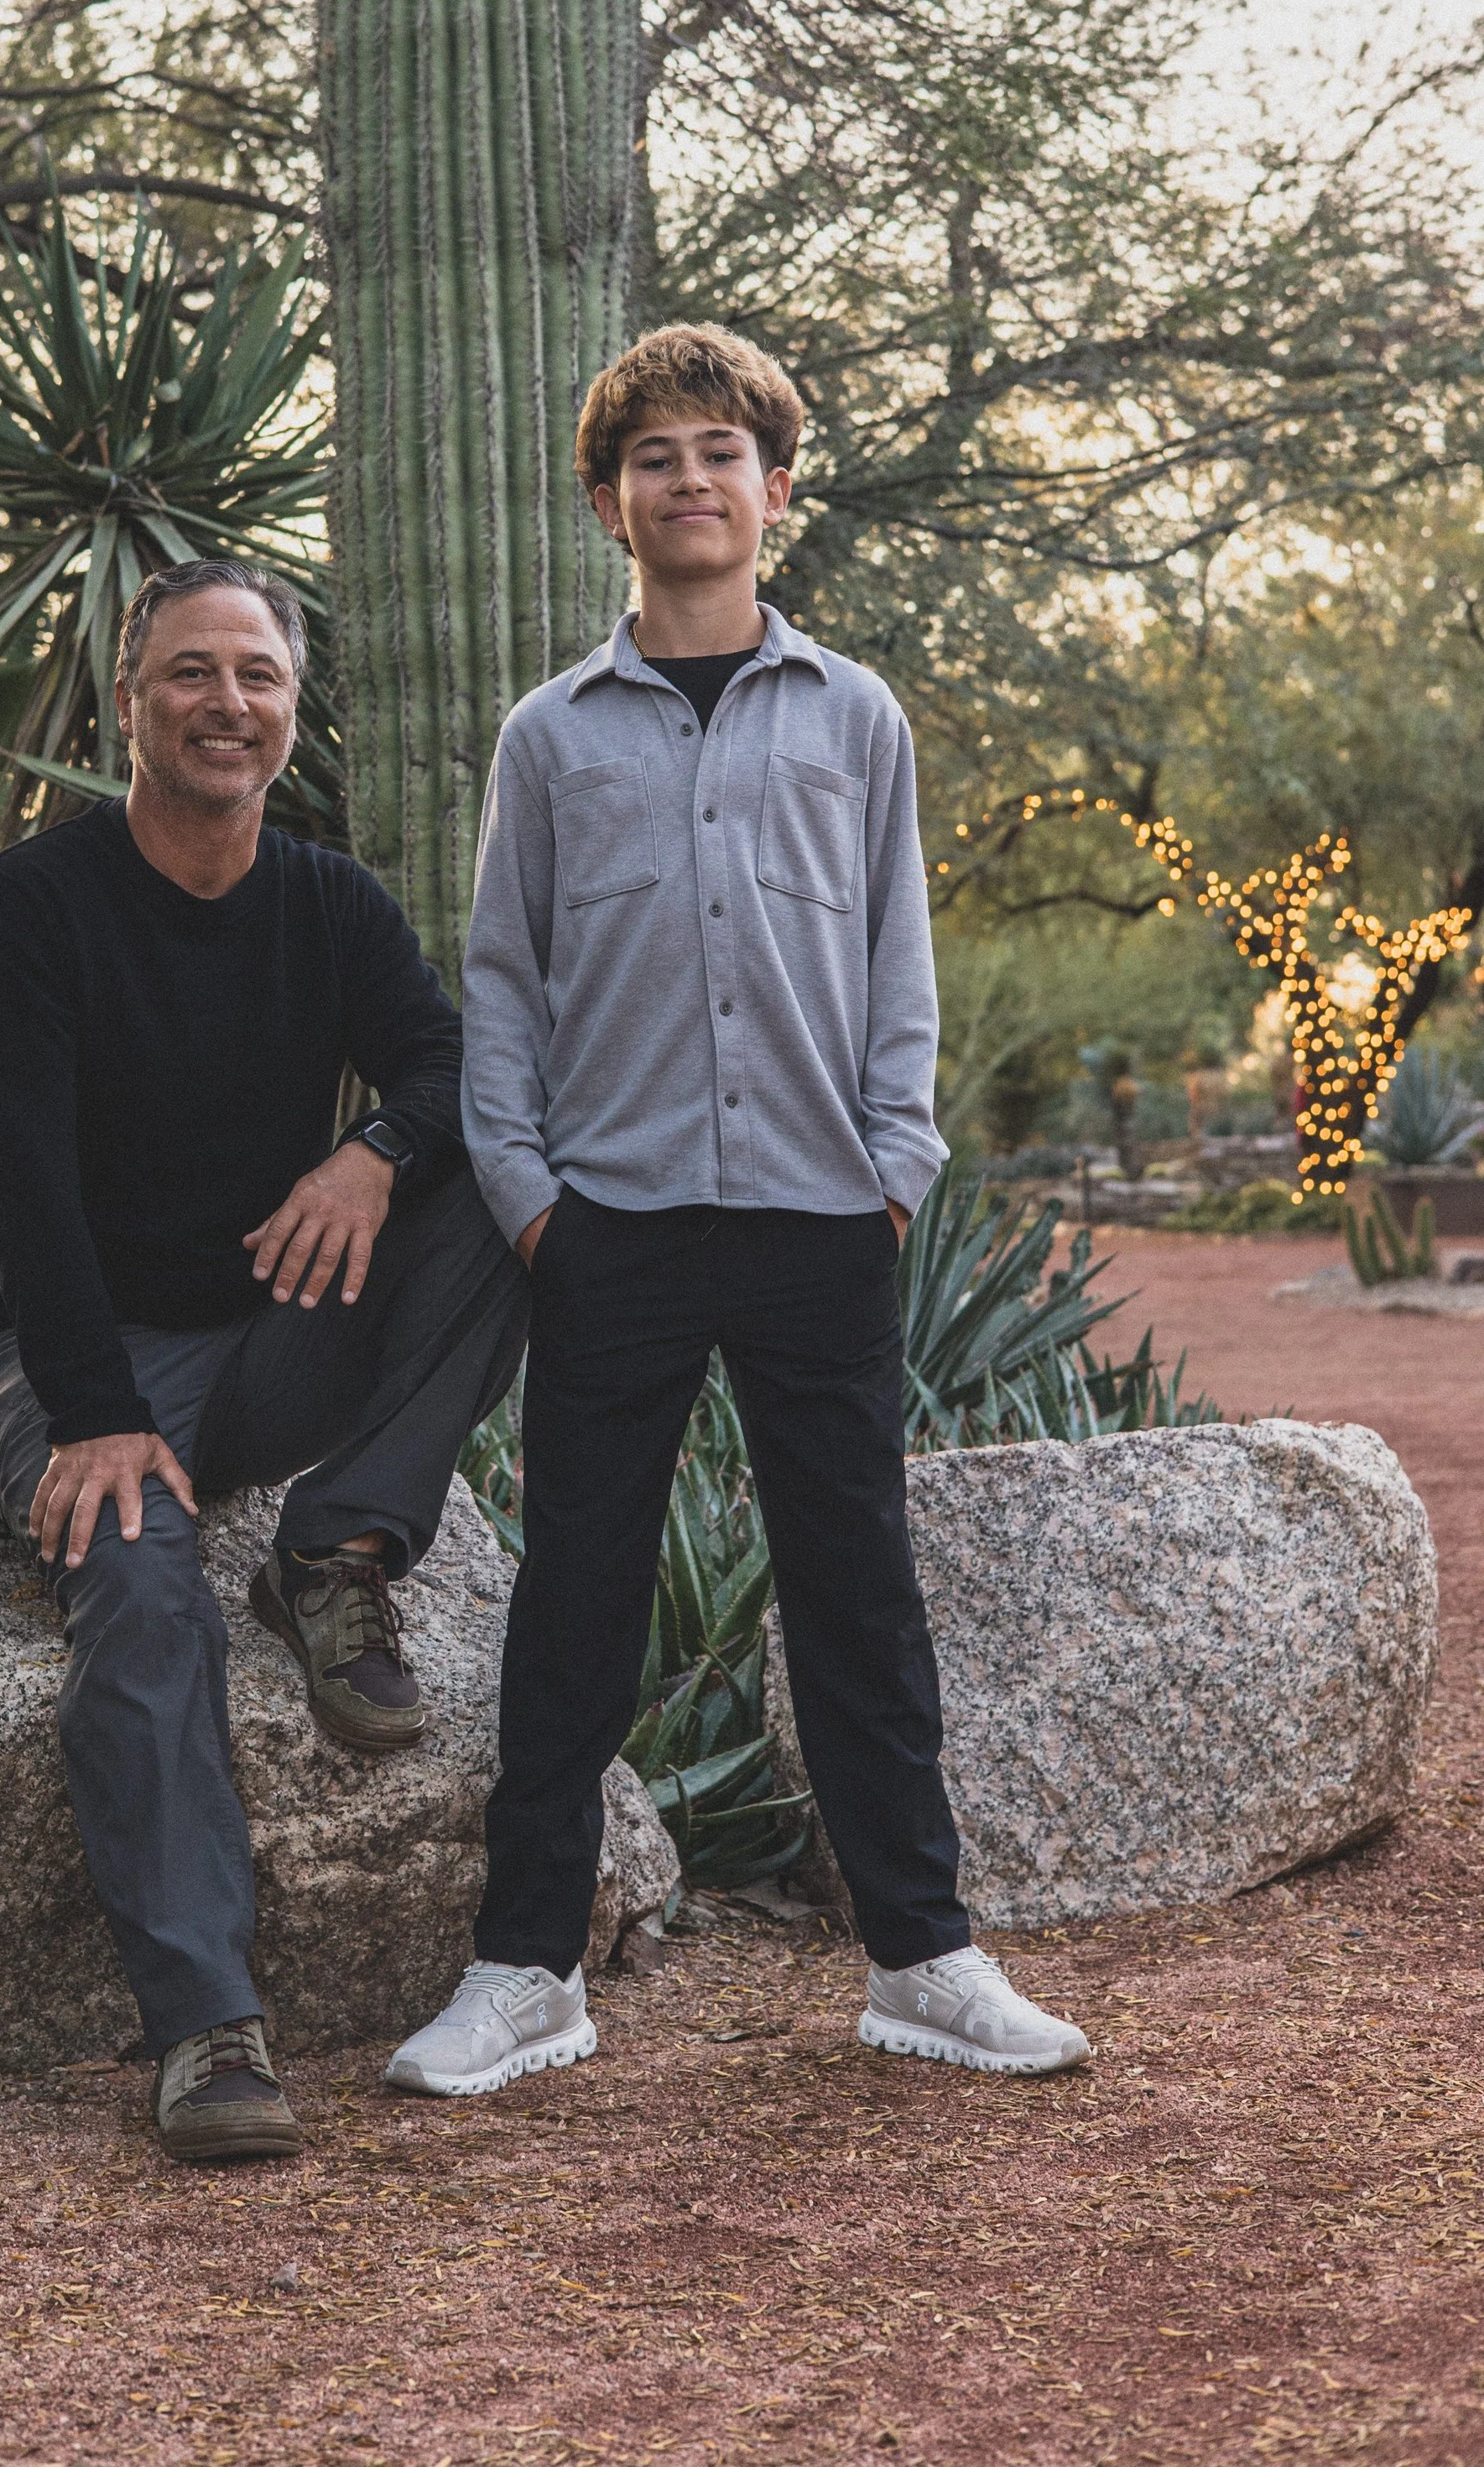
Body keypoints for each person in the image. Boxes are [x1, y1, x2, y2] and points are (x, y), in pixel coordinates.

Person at [387, 324, 1089, 2097]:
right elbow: (506, 994)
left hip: (814, 1223)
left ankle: (921, 1960)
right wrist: (536, 1204)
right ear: (605, 503)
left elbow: (892, 966)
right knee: (576, 1605)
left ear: (774, 493)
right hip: (606, 1227)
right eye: (652, 459)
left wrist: (891, 1173)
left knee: (855, 1593)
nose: (686, 482)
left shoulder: (853, 716)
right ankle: (522, 1972)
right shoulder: (548, 739)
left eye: (719, 453)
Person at [0, 559, 529, 2162]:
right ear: (129, 704)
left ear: (291, 710)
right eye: (190, 674)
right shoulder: (27, 911)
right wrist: (99, 1416)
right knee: (139, 1582)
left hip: (261, 1333)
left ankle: (337, 1547)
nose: (227, 704)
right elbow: (20, 1191)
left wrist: (374, 1154)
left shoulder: (328, 902)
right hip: (48, 1353)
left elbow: (452, 1069)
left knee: (504, 1182)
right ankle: (206, 2024)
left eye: (257, 676)